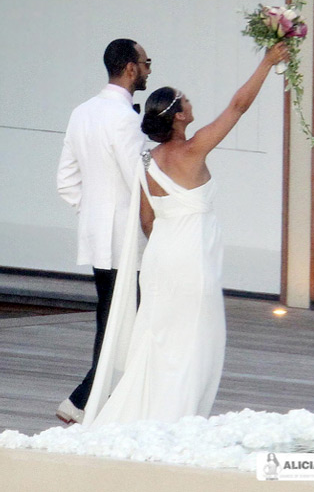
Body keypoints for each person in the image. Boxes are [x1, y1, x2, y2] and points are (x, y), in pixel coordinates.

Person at [82, 42, 289, 427]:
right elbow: (238, 107)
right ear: (178, 116)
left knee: (159, 340)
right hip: (192, 255)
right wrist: (267, 63)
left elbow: (146, 221)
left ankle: (148, 416)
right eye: (187, 102)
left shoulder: (146, 160)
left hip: (162, 255)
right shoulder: (194, 150)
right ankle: (177, 419)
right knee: (198, 340)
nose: (192, 105)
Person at [55, 38, 152, 424]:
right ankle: (84, 401)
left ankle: (93, 400)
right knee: (126, 321)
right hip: (126, 240)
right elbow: (138, 181)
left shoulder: (82, 112)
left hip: (97, 235)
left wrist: (93, 210)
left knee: (110, 318)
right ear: (130, 68)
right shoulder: (125, 119)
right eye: (146, 62)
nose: (148, 69)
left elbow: (66, 181)